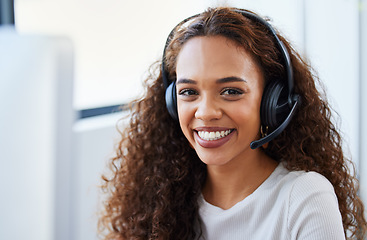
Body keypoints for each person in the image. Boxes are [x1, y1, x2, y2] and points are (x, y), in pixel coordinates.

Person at [99, 7, 367, 240]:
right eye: (189, 92)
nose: (205, 113)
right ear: (171, 103)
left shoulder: (305, 198)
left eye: (231, 91)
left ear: (273, 102)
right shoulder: (163, 199)